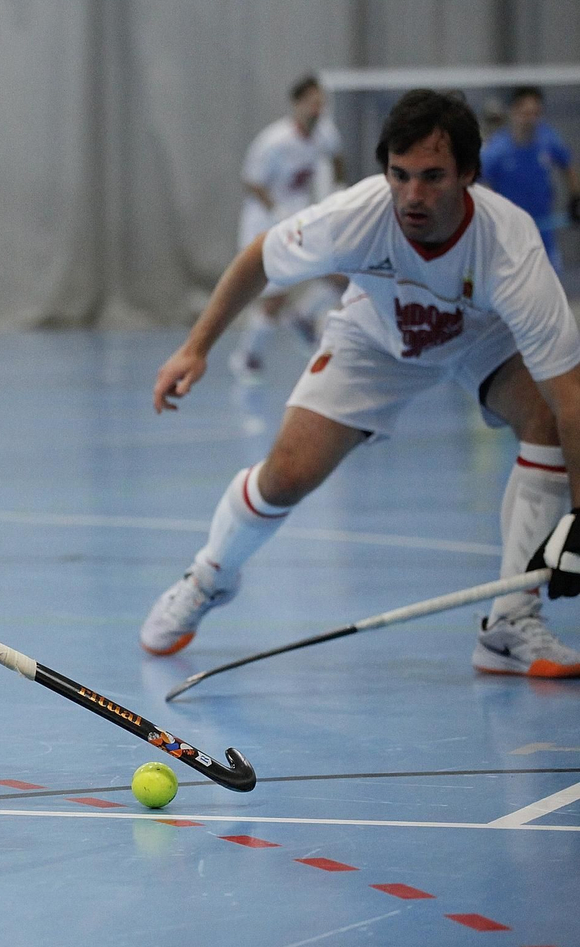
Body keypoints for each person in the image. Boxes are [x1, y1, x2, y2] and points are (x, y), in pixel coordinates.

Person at [141, 89, 580, 679]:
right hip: (376, 339)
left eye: (432, 178)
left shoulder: (511, 247)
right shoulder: (358, 214)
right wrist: (195, 348)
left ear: (470, 175)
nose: (412, 196)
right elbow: (260, 261)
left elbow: (570, 397)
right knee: (285, 477)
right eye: (399, 175)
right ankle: (209, 576)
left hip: (482, 339)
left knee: (547, 421)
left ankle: (509, 623)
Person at [228, 75, 349, 383]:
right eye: (312, 103)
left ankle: (305, 317)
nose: (317, 109)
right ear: (297, 105)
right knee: (274, 297)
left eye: (321, 103)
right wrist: (276, 210)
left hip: (300, 218)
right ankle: (247, 356)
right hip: (265, 222)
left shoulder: (325, 133)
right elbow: (251, 181)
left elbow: (336, 158)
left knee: (339, 276)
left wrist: (338, 188)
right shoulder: (274, 141)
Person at [480, 86, 580, 269]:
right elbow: (480, 183)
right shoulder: (497, 150)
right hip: (510, 233)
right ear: (513, 112)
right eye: (526, 113)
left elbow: (568, 165)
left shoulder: (548, 139)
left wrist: (575, 198)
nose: (531, 119)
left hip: (544, 228)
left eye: (536, 113)